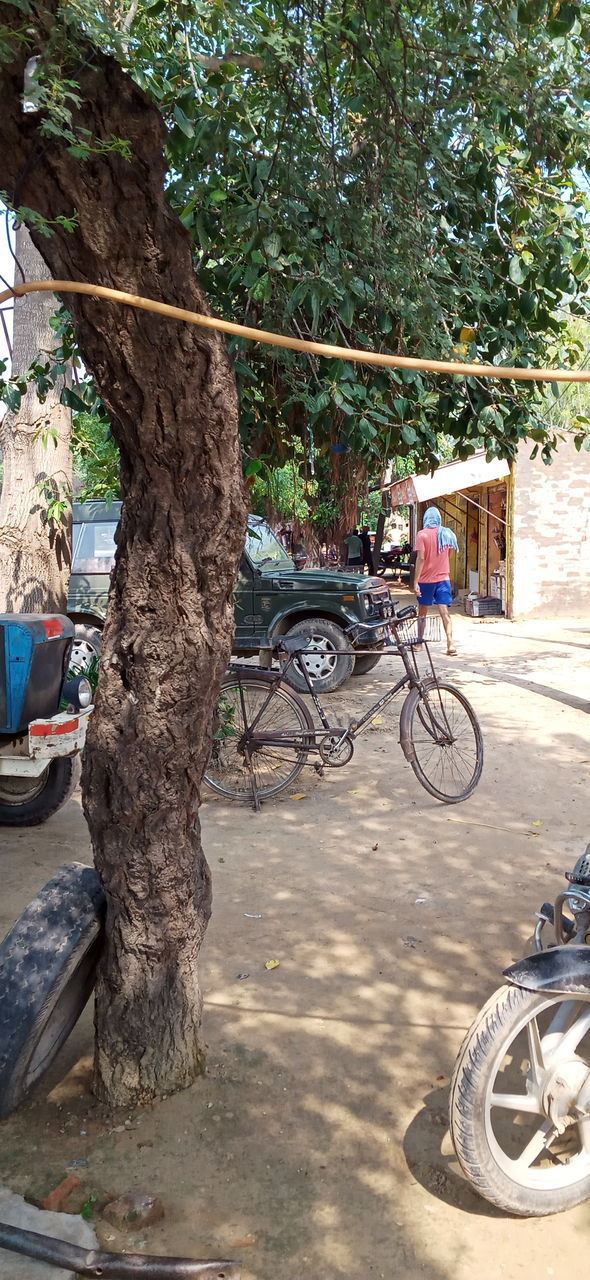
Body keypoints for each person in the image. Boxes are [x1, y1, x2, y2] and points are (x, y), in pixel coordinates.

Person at [413, 507, 458, 655]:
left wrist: (415, 581)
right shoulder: (447, 534)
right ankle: (450, 644)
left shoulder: (422, 535)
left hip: (426, 580)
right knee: (444, 612)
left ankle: (419, 643)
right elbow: (449, 555)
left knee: (423, 612)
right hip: (443, 578)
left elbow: (420, 558)